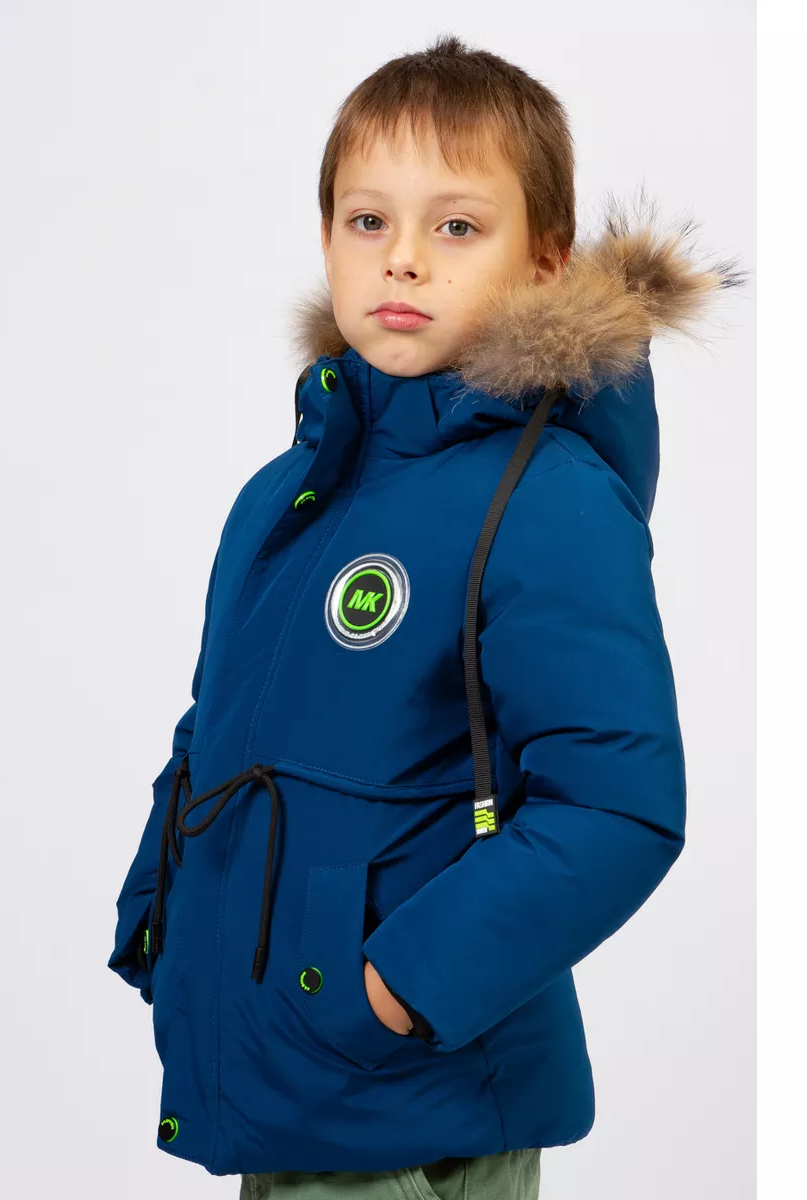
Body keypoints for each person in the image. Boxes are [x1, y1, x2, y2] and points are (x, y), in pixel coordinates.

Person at [107, 31, 745, 1199]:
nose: (402, 258)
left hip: (410, 1095)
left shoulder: (548, 499)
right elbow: (216, 732)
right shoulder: (286, 494)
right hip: (289, 1071)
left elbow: (616, 804)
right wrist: (159, 912)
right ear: (326, 238)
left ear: (544, 261)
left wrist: (395, 991)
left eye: (456, 226)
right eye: (369, 221)